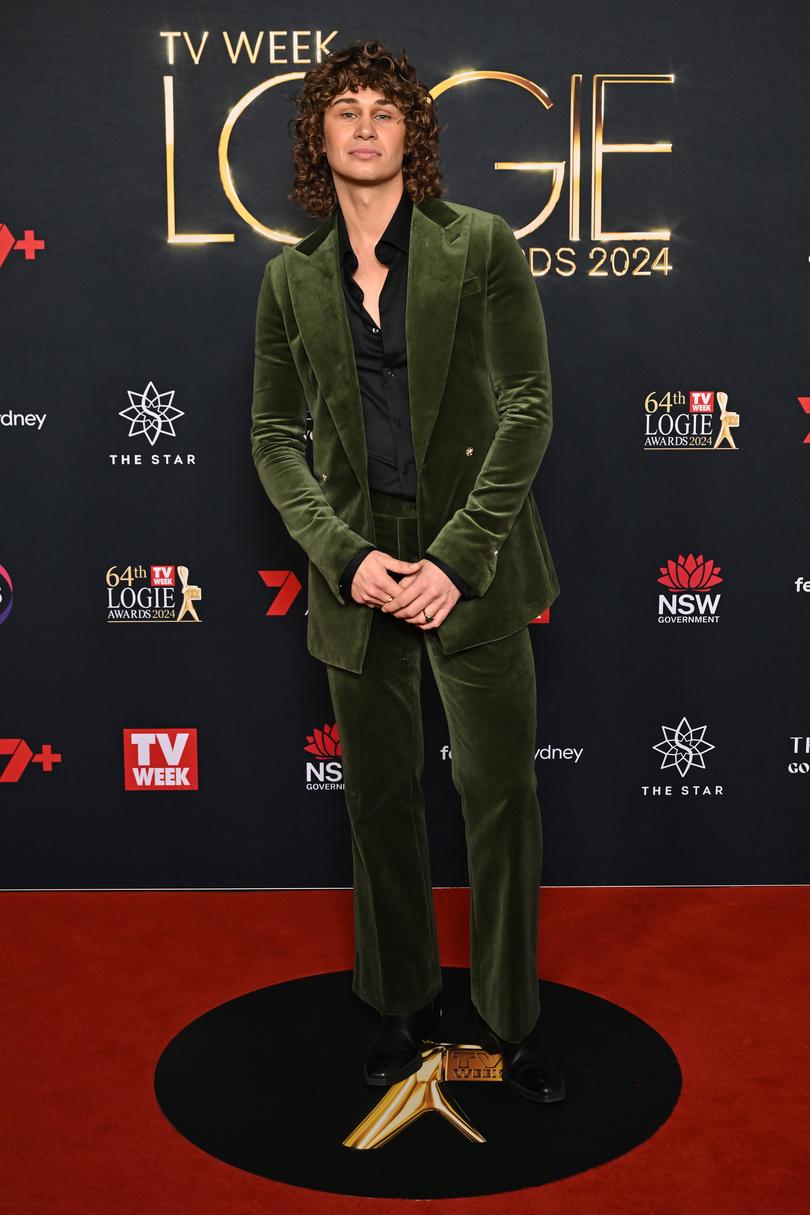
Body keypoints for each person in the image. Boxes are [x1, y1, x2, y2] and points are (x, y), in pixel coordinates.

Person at [250, 38, 564, 1103]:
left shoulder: (479, 244)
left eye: (387, 109)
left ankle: (512, 1022)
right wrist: (346, 558)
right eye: (346, 109)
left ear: (413, 135)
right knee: (380, 802)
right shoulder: (289, 277)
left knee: (499, 795)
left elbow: (528, 406)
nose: (369, 124)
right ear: (320, 138)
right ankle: (400, 1001)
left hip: (472, 555)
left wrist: (458, 561)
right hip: (360, 570)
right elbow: (272, 435)